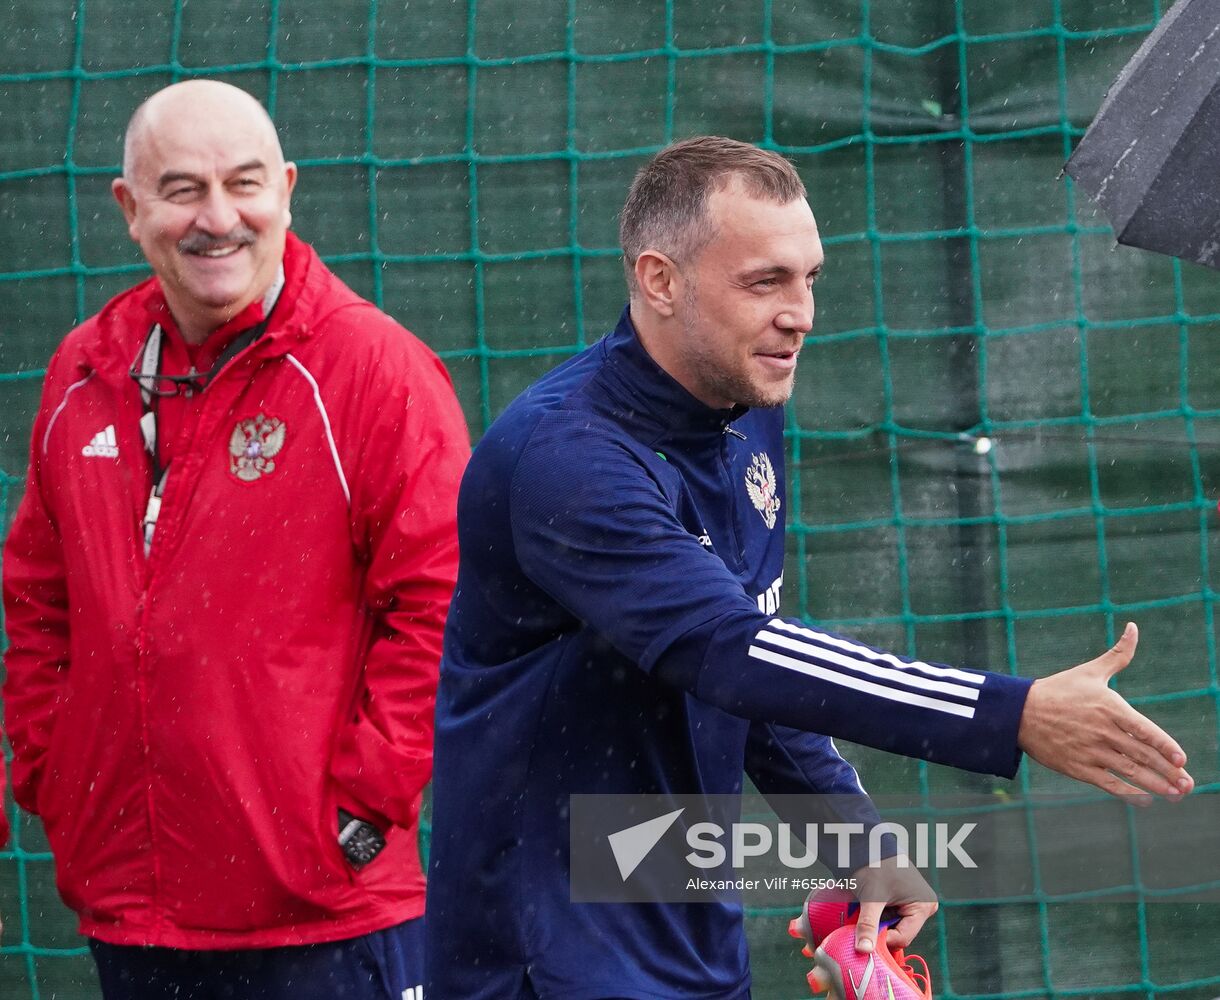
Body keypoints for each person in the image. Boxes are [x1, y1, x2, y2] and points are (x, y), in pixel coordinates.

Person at [424, 136, 1195, 1000]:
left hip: (687, 936)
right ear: (659, 280)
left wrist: (855, 840)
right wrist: (1010, 712)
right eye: (765, 282)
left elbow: (758, 664)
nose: (802, 312)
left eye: (810, 278)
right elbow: (728, 648)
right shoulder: (565, 459)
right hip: (544, 956)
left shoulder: (743, 411)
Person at [2, 80, 469, 1000]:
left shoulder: (375, 373)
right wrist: (57, 772)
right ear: (130, 211)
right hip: (132, 908)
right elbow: (37, 594)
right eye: (182, 191)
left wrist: (362, 807)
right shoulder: (81, 372)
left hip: (325, 912)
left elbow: (446, 602)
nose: (219, 219)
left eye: (244, 184)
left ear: (288, 190)